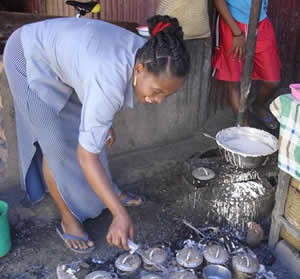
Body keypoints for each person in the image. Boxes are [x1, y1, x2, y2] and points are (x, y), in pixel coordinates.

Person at [3, 15, 190, 253]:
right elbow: (86, 156)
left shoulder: (150, 54)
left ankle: (108, 193)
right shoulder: (111, 77)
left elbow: (91, 75)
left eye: (166, 95)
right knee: (56, 147)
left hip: (65, 59)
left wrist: (100, 121)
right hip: (27, 57)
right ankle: (68, 219)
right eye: (156, 91)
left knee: (98, 136)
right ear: (140, 69)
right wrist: (119, 215)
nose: (159, 100)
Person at [212, 0, 281, 129]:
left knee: (273, 81)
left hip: (261, 23)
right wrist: (236, 33)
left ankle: (257, 106)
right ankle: (242, 123)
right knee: (234, 80)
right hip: (233, 24)